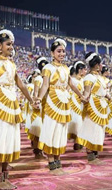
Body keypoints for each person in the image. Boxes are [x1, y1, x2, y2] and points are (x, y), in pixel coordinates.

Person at [0, 29, 35, 190]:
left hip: (11, 103)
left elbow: (21, 84)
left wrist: (31, 100)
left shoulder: (12, 63)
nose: (11, 47)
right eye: (8, 44)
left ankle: (5, 178)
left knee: (9, 139)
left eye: (12, 44)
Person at [35, 38, 87, 175]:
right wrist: (39, 98)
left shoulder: (65, 68)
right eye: (59, 51)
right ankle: (51, 162)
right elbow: (45, 85)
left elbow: (71, 84)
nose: (62, 54)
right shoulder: (47, 68)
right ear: (52, 53)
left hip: (64, 102)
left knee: (61, 130)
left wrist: (81, 95)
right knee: (51, 129)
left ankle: (58, 161)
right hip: (52, 101)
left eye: (63, 51)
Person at [76, 52, 109, 164]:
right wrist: (83, 98)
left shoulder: (98, 77)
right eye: (100, 64)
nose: (101, 66)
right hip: (93, 106)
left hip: (101, 105)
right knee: (91, 128)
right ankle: (90, 155)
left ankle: (95, 154)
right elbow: (86, 92)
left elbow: (104, 92)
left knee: (99, 130)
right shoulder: (89, 77)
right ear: (96, 64)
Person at [28, 56, 48, 159]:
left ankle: (40, 150)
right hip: (40, 105)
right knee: (37, 130)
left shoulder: (45, 78)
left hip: (45, 105)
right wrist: (36, 103)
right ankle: (37, 151)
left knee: (41, 129)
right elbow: (35, 93)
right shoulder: (39, 79)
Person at [68, 61, 87, 151]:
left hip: (81, 103)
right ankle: (77, 142)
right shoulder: (72, 80)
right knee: (76, 121)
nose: (86, 71)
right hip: (74, 103)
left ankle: (79, 142)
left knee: (81, 122)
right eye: (84, 69)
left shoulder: (83, 80)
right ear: (79, 70)